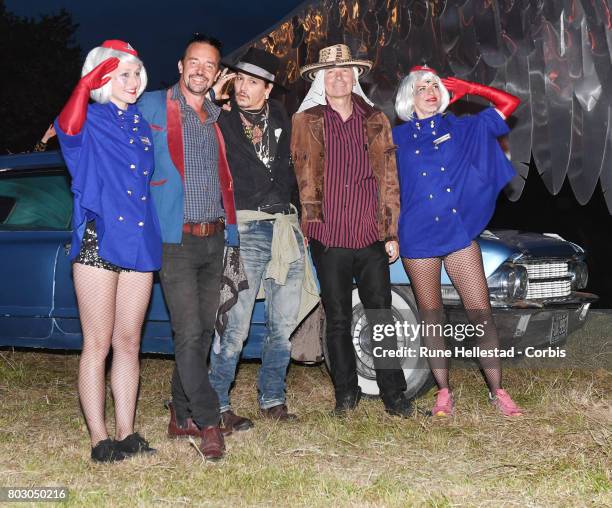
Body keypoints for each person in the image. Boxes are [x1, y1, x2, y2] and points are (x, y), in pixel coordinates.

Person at [393, 66, 524, 416]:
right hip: (417, 237)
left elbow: (511, 103)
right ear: (410, 96)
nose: (430, 91)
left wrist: (471, 87)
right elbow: (384, 189)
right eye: (422, 87)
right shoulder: (395, 138)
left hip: (457, 234)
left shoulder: (462, 127)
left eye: (435, 85)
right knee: (431, 317)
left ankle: (498, 391)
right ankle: (444, 393)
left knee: (482, 314)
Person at [54, 40, 161, 462]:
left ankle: (126, 432)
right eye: (122, 74)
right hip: (100, 240)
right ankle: (99, 440)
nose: (133, 82)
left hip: (139, 242)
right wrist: (84, 86)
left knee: (129, 341)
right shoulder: (90, 119)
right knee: (97, 343)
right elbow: (67, 126)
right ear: (102, 79)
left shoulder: (139, 124)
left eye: (136, 74)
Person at [291, 44, 412, 417]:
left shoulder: (376, 119)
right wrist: (307, 225)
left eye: (345, 71)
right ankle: (346, 393)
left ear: (355, 77)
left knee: (381, 316)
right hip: (329, 237)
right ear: (320, 80)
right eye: (331, 72)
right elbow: (295, 176)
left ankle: (395, 396)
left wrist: (391, 231)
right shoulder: (306, 120)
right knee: (338, 318)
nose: (339, 77)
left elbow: (389, 178)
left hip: (370, 235)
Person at [138, 34, 238, 461]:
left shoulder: (214, 117)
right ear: (181, 66)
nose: (200, 69)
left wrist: (230, 232)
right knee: (187, 333)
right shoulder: (154, 105)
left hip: (213, 238)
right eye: (194, 62)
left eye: (209, 65)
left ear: (216, 73)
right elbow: (115, 124)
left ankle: (180, 415)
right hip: (173, 239)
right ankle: (209, 420)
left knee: (200, 334)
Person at [208, 47, 316, 427]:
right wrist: (211, 94)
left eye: (253, 82)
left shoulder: (284, 118)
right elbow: (187, 120)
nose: (244, 88)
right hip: (246, 228)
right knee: (233, 325)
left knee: (282, 327)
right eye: (240, 79)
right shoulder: (220, 120)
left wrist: (303, 220)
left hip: (286, 229)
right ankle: (217, 404)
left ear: (268, 89)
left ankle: (273, 400)